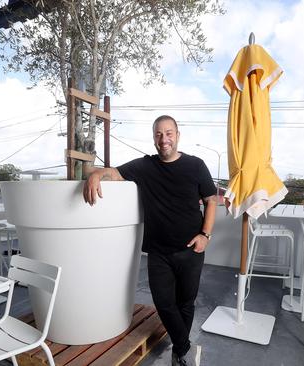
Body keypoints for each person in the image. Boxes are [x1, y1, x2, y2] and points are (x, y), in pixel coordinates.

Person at [83, 115, 217, 366]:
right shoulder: (145, 166)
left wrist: (205, 235)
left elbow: (211, 200)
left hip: (191, 250)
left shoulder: (196, 165)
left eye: (168, 133)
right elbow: (115, 173)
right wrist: (96, 175)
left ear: (177, 135)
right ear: (153, 137)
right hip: (158, 252)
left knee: (185, 302)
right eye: (158, 134)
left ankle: (180, 353)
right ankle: (185, 347)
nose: (163, 139)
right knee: (164, 303)